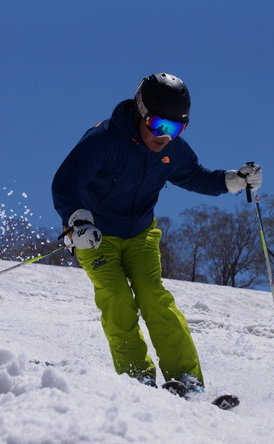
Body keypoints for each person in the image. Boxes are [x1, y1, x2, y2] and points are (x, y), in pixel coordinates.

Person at [52, 72, 262, 393]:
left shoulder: (172, 151)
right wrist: (76, 220)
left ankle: (187, 378)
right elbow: (66, 181)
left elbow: (194, 176)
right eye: (159, 125)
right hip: (95, 238)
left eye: (175, 128)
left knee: (154, 298)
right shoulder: (104, 140)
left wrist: (232, 180)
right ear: (141, 111)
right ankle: (138, 378)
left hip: (140, 236)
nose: (164, 136)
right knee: (118, 300)